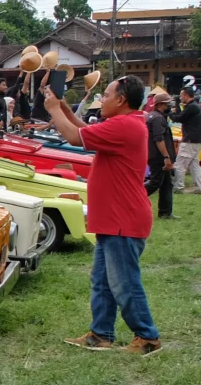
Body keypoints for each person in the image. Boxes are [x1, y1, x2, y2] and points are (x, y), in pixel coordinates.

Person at [46, 76, 161, 355]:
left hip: (123, 219)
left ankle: (147, 337)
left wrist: (52, 110)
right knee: (102, 281)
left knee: (124, 284)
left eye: (107, 95)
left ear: (121, 100)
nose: (102, 99)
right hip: (115, 218)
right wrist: (64, 108)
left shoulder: (124, 125)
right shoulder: (126, 123)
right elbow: (86, 131)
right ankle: (101, 334)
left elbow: (75, 138)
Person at [145, 91, 175, 220]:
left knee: (166, 184)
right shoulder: (157, 119)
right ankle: (130, 200)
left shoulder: (153, 116)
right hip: (159, 157)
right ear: (161, 104)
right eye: (168, 104)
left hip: (156, 155)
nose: (170, 106)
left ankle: (165, 212)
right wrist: (166, 157)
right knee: (155, 183)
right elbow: (159, 139)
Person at [175, 85, 201, 193]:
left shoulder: (192, 107)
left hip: (189, 140)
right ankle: (199, 186)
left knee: (180, 163)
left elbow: (180, 117)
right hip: (196, 139)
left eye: (181, 95)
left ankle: (179, 187)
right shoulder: (195, 106)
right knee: (194, 165)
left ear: (186, 95)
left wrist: (170, 113)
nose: (180, 98)